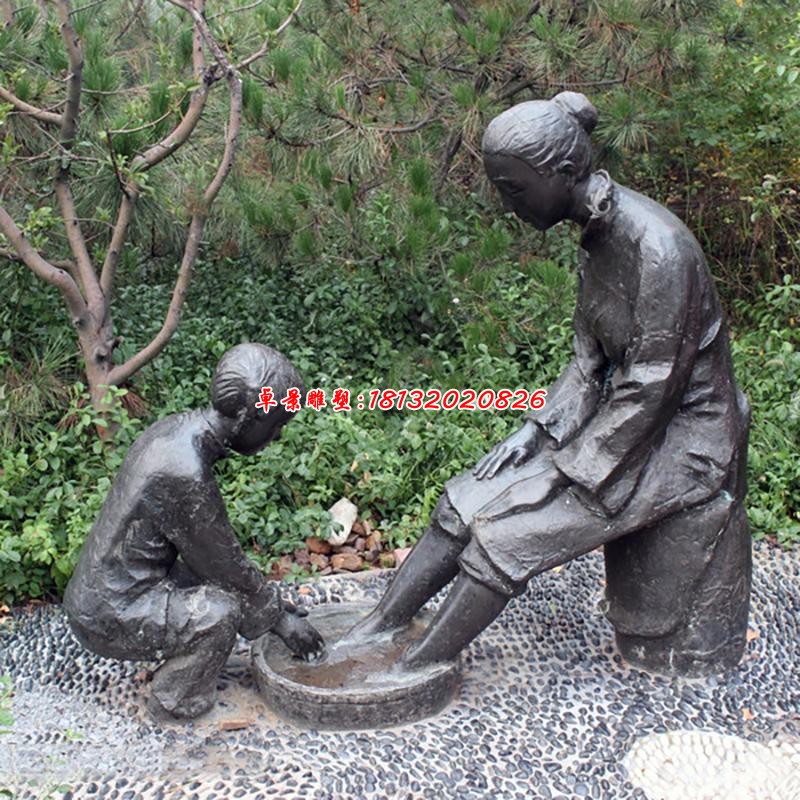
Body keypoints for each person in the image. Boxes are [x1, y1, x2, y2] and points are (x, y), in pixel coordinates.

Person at [348, 92, 751, 676]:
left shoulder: (659, 249)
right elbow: (589, 362)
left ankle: (414, 665)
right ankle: (376, 626)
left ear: (563, 172)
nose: (506, 204)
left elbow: (652, 386)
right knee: (463, 502)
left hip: (684, 441)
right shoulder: (595, 236)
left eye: (514, 189)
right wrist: (536, 433)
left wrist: (562, 472)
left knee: (510, 536)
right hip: (621, 428)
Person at [64, 343, 324, 719]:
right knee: (220, 611)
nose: (278, 437)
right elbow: (224, 564)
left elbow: (214, 560)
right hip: (108, 611)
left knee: (223, 587)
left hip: (107, 590)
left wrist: (270, 606)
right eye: (276, 425)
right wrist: (280, 622)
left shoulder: (175, 430)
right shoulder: (183, 470)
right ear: (248, 417)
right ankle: (174, 699)